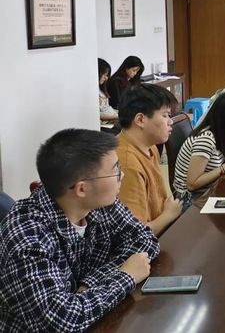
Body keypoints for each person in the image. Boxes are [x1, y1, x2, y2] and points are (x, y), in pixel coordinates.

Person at [0, 129, 158, 332]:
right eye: (116, 170)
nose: (122, 175)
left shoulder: (100, 202)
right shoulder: (27, 237)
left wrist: (90, 284)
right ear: (81, 189)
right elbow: (63, 320)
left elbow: (144, 238)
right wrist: (125, 276)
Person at [116, 84, 182, 235]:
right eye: (165, 116)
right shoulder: (126, 163)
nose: (170, 122)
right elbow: (135, 234)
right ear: (140, 119)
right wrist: (169, 215)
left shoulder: (150, 147)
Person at [173, 91, 225, 200]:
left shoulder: (222, 133)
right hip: (191, 199)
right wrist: (223, 168)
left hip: (209, 191)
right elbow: (192, 184)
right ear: (224, 118)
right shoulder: (206, 139)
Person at [98, 58, 119, 123]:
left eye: (106, 75)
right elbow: (99, 115)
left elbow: (107, 108)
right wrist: (119, 117)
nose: (106, 78)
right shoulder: (93, 92)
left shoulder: (101, 90)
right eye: (104, 74)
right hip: (106, 123)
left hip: (113, 118)